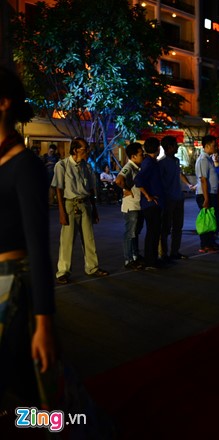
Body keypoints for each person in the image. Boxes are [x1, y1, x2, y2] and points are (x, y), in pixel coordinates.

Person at [0, 65, 57, 407]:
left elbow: (38, 248)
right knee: (27, 389)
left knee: (45, 392)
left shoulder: (25, 166)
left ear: (3, 102)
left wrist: (44, 322)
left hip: (14, 289)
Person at [52, 137, 109, 284]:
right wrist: (61, 212)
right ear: (76, 150)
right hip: (70, 205)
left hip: (85, 205)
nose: (87, 151)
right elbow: (58, 189)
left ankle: (92, 267)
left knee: (89, 238)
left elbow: (90, 190)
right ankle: (63, 272)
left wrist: (94, 209)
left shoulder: (86, 167)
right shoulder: (62, 165)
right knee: (67, 240)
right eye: (85, 149)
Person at [159, 135, 194, 261]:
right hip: (168, 199)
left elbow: (179, 174)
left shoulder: (176, 161)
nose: (178, 147)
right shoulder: (161, 163)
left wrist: (188, 184)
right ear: (169, 147)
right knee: (166, 228)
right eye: (175, 145)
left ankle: (175, 251)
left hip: (178, 197)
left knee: (178, 227)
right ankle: (163, 254)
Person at [135, 137, 165, 270]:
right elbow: (138, 180)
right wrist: (148, 196)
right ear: (157, 148)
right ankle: (150, 261)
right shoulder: (149, 163)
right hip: (151, 205)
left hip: (155, 204)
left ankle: (153, 260)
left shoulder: (152, 162)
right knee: (152, 232)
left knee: (154, 231)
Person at [115, 142, 145, 270]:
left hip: (137, 205)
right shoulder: (129, 167)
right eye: (140, 154)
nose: (142, 155)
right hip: (131, 206)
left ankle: (135, 256)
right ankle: (128, 259)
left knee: (135, 232)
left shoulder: (137, 167)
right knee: (130, 233)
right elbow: (118, 180)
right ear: (133, 156)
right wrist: (126, 189)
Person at [195, 135, 219, 253]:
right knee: (207, 220)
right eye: (213, 145)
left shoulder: (209, 159)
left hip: (210, 193)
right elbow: (203, 180)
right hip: (205, 194)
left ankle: (211, 243)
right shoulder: (203, 160)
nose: (215, 147)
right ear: (206, 146)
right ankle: (205, 245)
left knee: (212, 218)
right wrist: (206, 198)